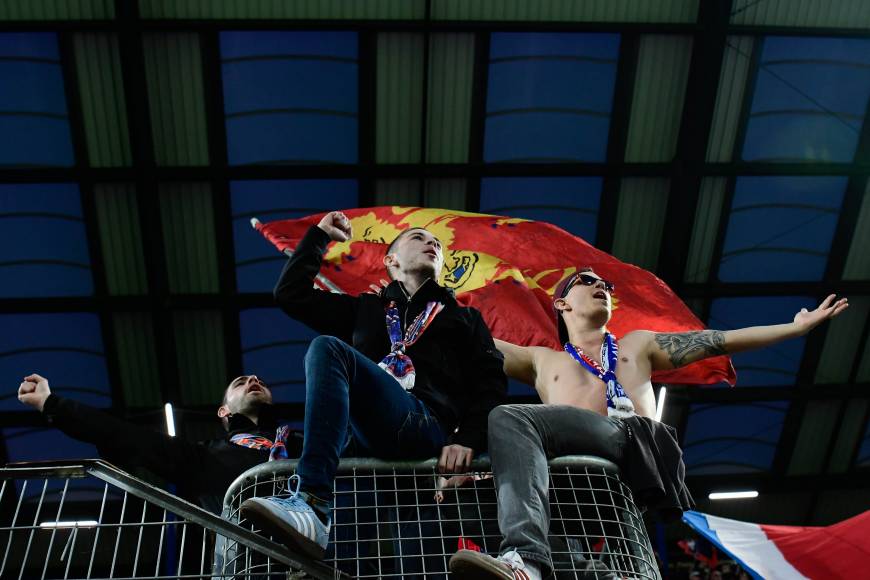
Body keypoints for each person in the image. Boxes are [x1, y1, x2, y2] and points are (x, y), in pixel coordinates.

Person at [450, 268, 849, 579]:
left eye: (605, 283)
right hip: (570, 481)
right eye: (586, 281)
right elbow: (468, 340)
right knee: (464, 500)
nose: (600, 286)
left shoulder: (636, 344)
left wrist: (795, 328)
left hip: (626, 443)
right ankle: (573, 573)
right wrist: (429, 301)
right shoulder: (542, 359)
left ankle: (525, 558)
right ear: (561, 304)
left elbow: (720, 340)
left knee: (510, 416)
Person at [239, 210, 508, 559]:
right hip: (363, 447)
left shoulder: (464, 316)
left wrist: (467, 439)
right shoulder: (366, 308)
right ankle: (313, 513)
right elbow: (290, 294)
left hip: (424, 429)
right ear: (391, 260)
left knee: (329, 349)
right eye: (418, 238)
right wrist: (319, 236)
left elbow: (491, 382)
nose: (432, 244)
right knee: (353, 561)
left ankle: (311, 499)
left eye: (438, 244)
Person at [17, 373, 297, 514]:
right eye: (240, 382)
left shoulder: (302, 444)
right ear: (223, 411)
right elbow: (122, 434)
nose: (253, 380)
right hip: (244, 563)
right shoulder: (203, 456)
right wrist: (50, 404)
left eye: (259, 381)